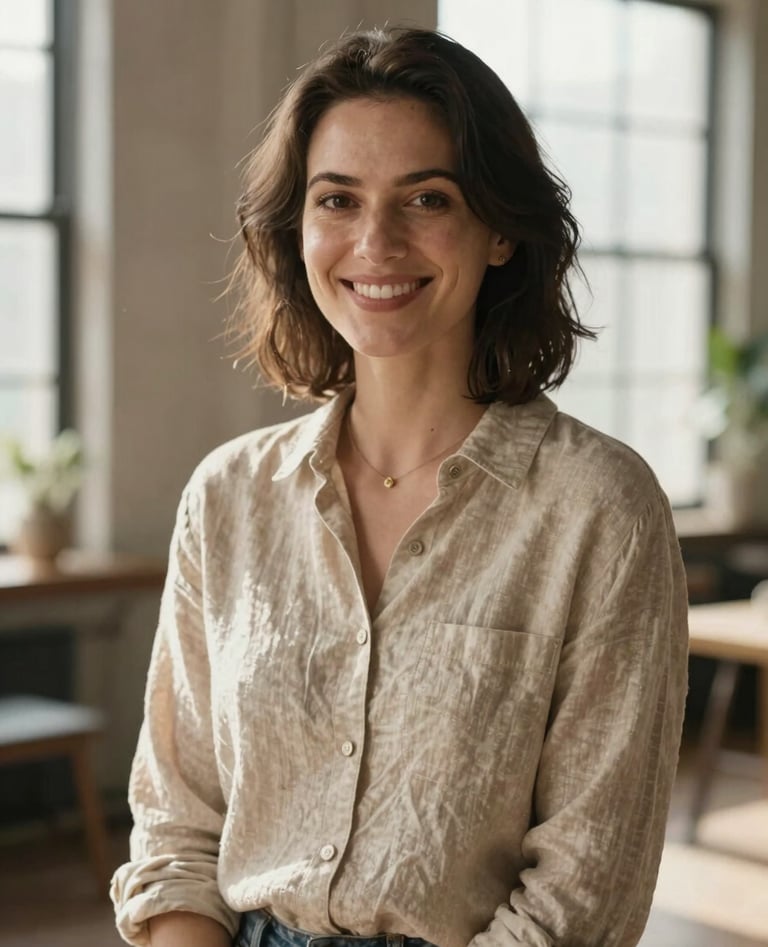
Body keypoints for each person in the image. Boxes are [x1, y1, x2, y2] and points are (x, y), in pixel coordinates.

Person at [111, 26, 688, 947]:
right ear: (296, 230)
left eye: (428, 197)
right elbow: (177, 828)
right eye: (337, 199)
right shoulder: (226, 498)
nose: (376, 242)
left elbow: (589, 885)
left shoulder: (600, 509)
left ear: (500, 231)